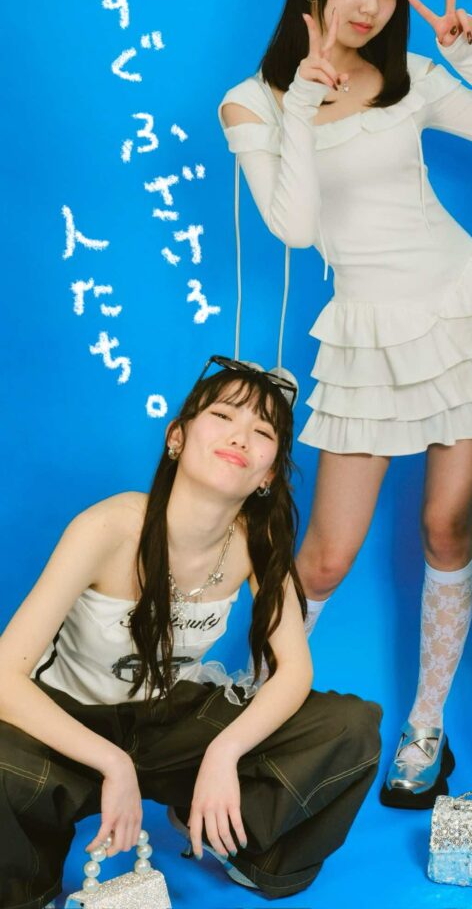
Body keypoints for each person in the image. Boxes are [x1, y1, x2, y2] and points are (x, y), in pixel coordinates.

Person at [219, 0, 472, 808]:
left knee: (447, 526)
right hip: (367, 335)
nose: (371, 5)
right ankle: (248, 707)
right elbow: (294, 227)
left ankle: (426, 729)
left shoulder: (410, 75)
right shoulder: (252, 101)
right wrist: (301, 100)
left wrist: (467, 53)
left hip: (457, 316)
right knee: (325, 556)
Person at [0, 358, 381, 908]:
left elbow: (294, 671)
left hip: (169, 724)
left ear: (268, 475)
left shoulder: (256, 543)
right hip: (70, 724)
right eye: (223, 416)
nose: (240, 437)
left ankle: (229, 839)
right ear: (176, 437)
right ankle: (27, 883)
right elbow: (5, 676)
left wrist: (224, 753)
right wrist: (113, 762)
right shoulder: (109, 526)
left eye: (263, 432)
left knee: (350, 726)